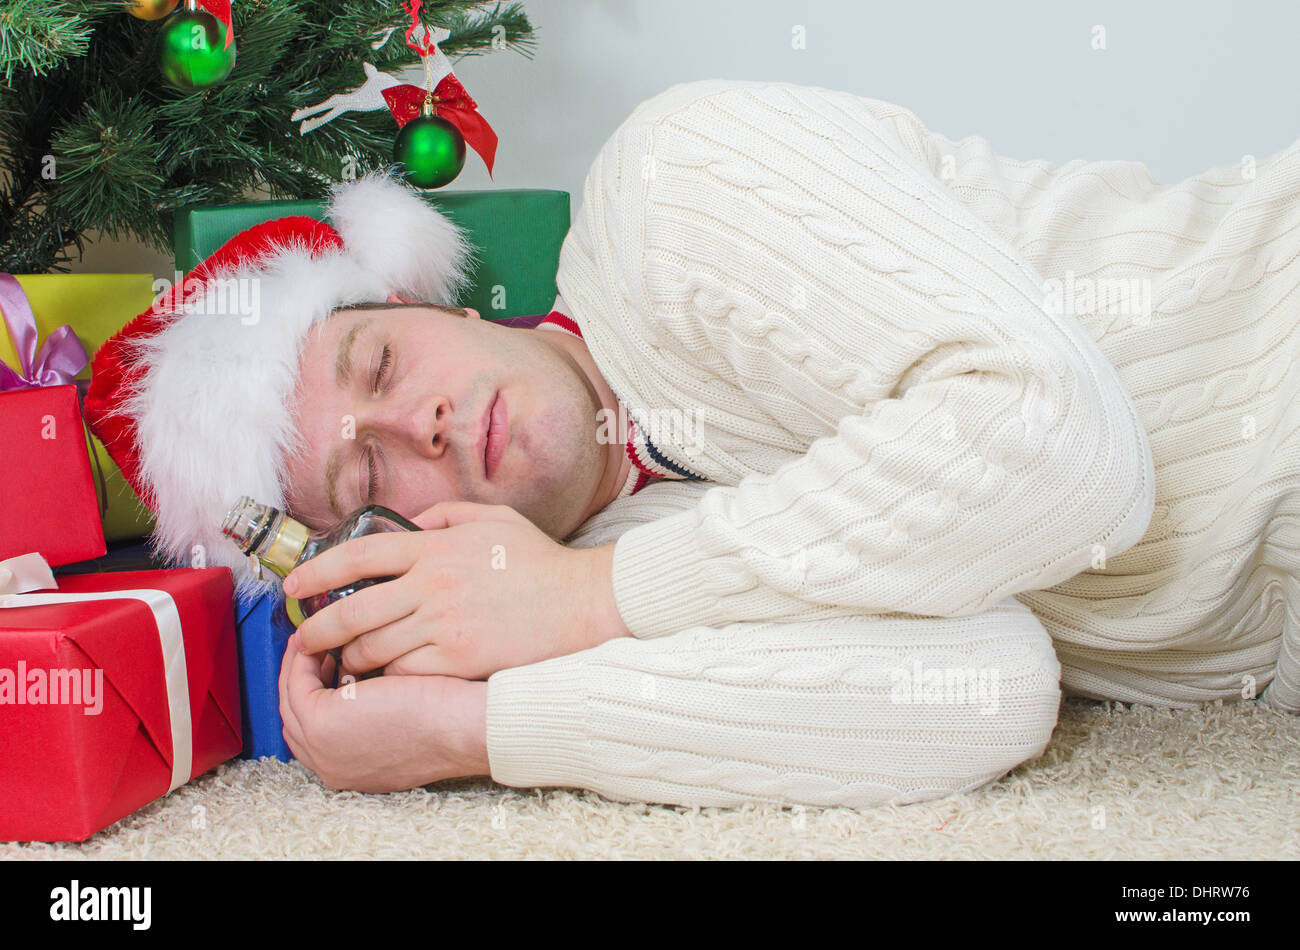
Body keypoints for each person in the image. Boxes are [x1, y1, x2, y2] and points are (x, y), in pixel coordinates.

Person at [85, 79, 1300, 808]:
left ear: (437, 305)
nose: (422, 423)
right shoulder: (605, 562)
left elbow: (1066, 453)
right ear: (386, 541)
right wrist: (474, 726)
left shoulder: (672, 184)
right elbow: (985, 688)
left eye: (385, 366)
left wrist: (585, 594)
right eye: (368, 472)